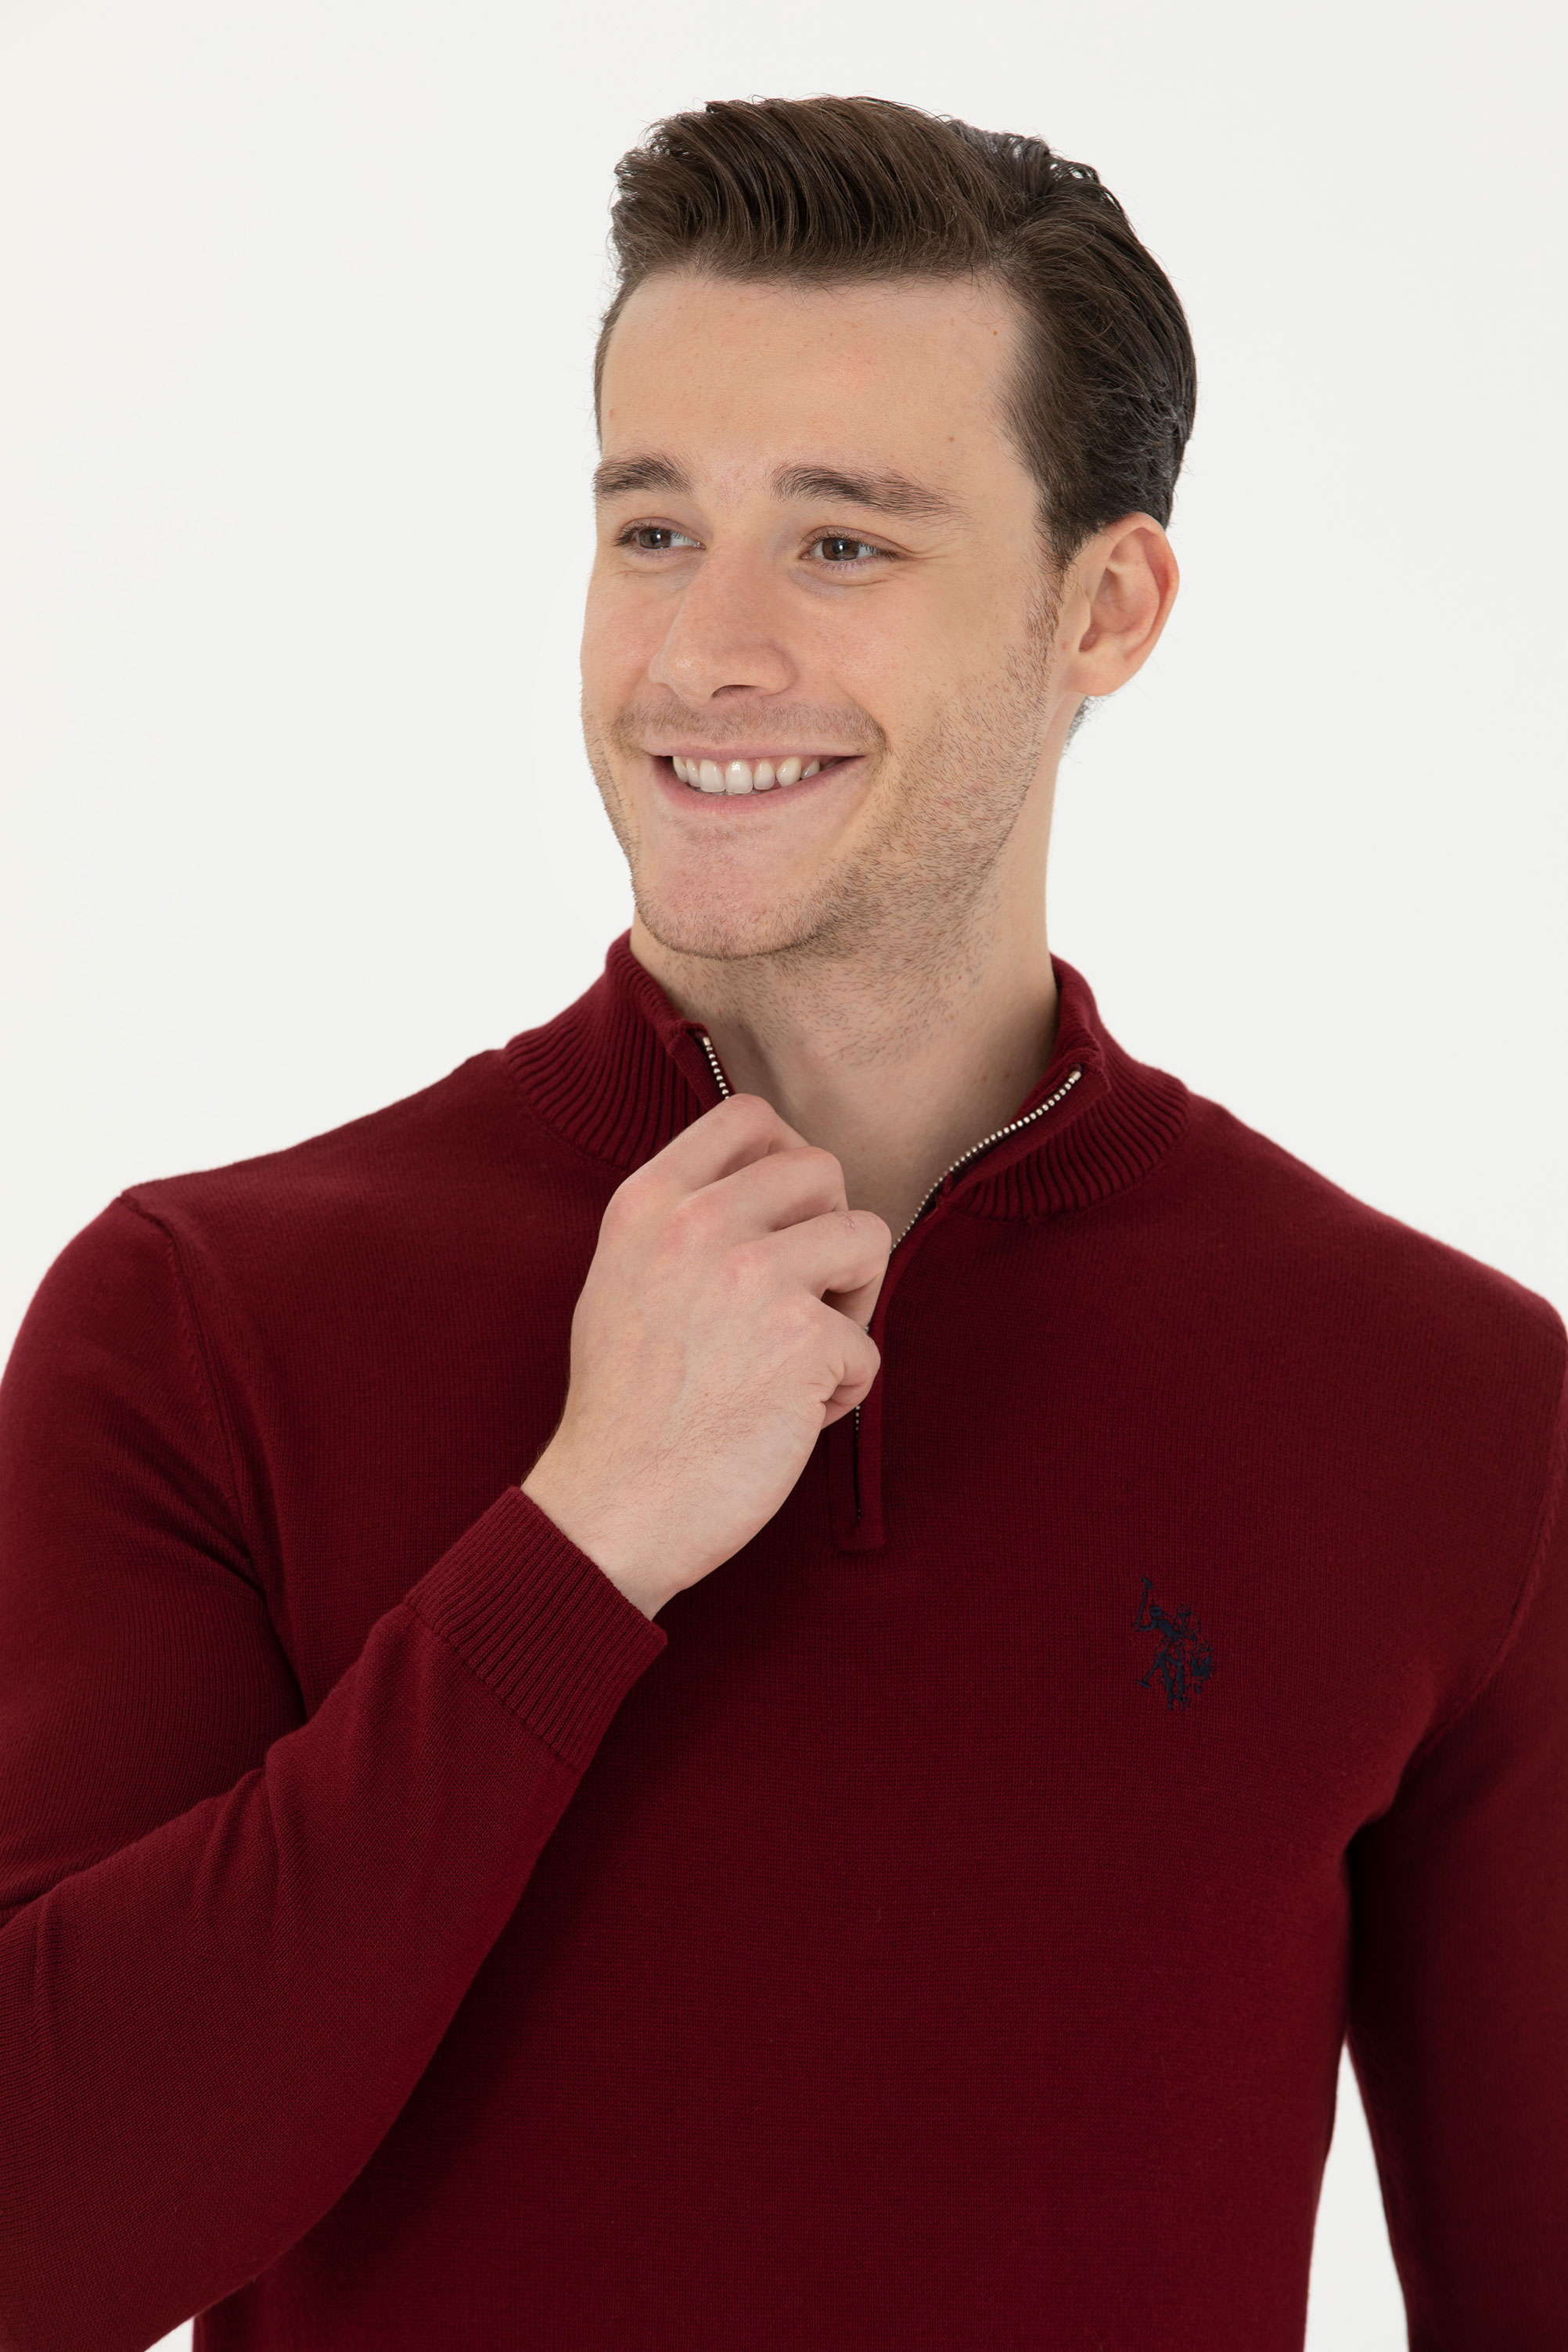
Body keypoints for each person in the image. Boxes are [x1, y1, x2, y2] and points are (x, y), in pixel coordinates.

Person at [0, 92, 1563, 2352]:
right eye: (653, 528)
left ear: (1103, 607)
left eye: (841, 543)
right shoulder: (209, 1316)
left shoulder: (1440, 1400)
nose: (704, 652)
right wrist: (581, 1544)